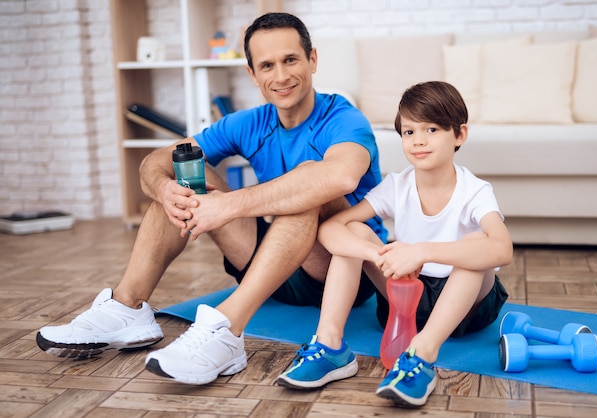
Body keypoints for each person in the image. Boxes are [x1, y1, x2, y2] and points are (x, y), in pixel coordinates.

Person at [35, 12, 387, 385]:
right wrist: (165, 189)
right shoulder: (249, 122)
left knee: (309, 187)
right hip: (273, 259)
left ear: (312, 59)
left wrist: (228, 206)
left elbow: (341, 176)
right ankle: (127, 307)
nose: (281, 76)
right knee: (182, 172)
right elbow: (158, 160)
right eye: (267, 65)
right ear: (252, 75)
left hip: (338, 268)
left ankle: (228, 330)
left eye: (290, 60)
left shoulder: (344, 119)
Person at [276, 81, 512, 407]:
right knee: (354, 233)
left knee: (477, 243)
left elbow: (503, 249)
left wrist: (421, 251)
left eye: (431, 129)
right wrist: (377, 252)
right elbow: (330, 229)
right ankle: (330, 346)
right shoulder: (397, 186)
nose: (418, 141)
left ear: (459, 135)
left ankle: (421, 356)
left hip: (467, 305)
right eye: (409, 132)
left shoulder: (475, 191)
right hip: (405, 298)